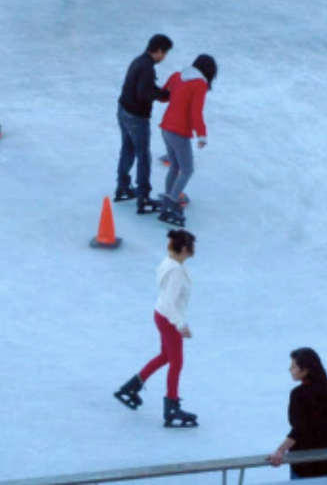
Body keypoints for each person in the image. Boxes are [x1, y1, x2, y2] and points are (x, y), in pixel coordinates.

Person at [112, 229, 199, 428]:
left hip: (160, 315)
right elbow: (170, 302)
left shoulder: (169, 262)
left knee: (166, 357)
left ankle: (132, 386)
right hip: (169, 320)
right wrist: (180, 324)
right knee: (176, 363)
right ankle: (171, 406)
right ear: (185, 249)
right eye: (192, 247)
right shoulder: (176, 271)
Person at [267, 348, 327, 480]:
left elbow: (298, 430)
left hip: (304, 463)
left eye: (294, 366)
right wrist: (324, 412)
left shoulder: (298, 394)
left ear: (305, 369)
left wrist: (280, 451)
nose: (290, 369)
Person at [116, 34, 172, 214]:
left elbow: (145, 89)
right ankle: (144, 198)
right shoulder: (147, 67)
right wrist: (164, 95)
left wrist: (160, 93)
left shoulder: (138, 61)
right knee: (143, 156)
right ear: (159, 51)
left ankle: (123, 187)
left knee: (127, 149)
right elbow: (144, 94)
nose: (164, 57)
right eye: (165, 53)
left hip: (123, 111)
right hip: (136, 117)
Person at [157, 54, 215, 228]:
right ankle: (171, 203)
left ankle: (169, 195)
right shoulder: (200, 84)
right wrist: (202, 135)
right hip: (179, 132)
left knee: (175, 166)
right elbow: (195, 112)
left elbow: (163, 96)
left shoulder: (176, 76)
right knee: (187, 169)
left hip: (166, 127)